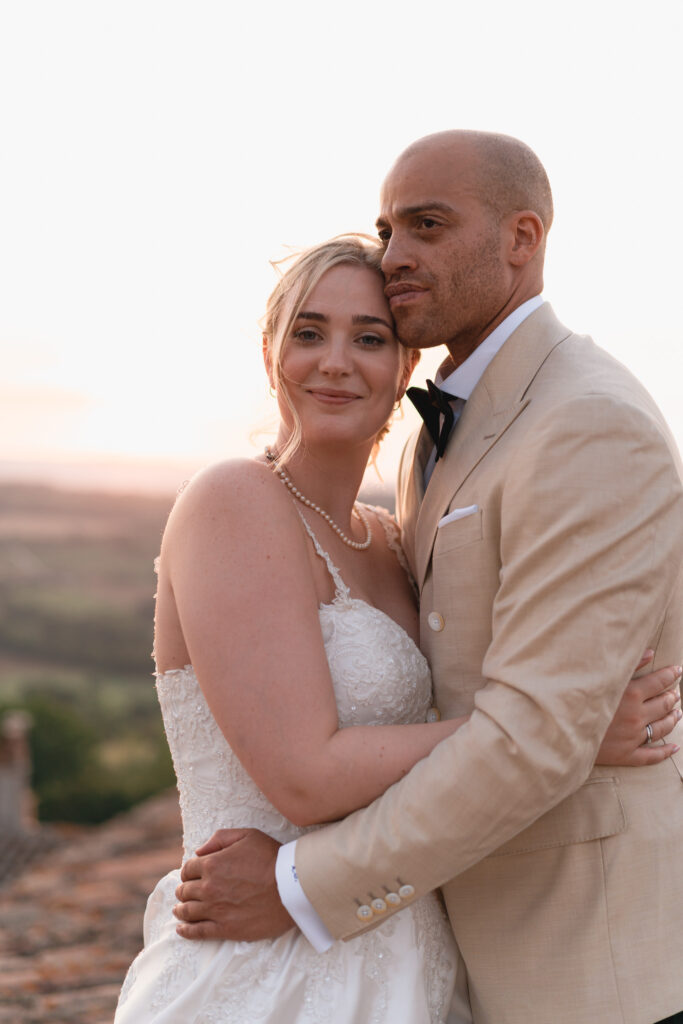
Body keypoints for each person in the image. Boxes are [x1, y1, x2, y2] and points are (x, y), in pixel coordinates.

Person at [173, 133, 683, 1024]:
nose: (397, 254)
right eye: (388, 227)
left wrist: (297, 885)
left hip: (581, 965)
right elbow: (516, 718)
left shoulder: (586, 419)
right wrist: (561, 729)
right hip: (400, 951)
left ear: (520, 238)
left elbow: (534, 730)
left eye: (428, 225)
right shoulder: (430, 452)